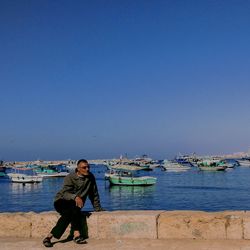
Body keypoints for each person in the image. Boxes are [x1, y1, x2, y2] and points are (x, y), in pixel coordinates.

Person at [42, 159, 104, 247]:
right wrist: (75, 197)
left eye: (88, 167)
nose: (87, 169)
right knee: (71, 211)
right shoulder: (70, 177)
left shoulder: (90, 177)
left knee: (72, 210)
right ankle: (76, 235)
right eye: (84, 167)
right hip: (61, 201)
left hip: (75, 205)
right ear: (78, 169)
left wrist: (97, 208)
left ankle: (49, 237)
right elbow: (64, 193)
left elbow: (94, 194)